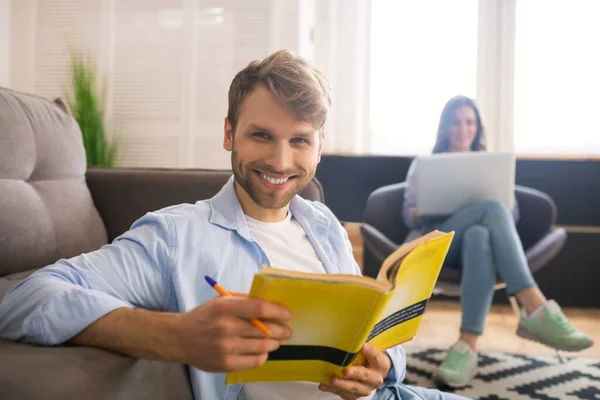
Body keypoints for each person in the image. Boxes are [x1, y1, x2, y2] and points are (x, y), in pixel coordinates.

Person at [0, 50, 469, 400]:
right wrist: (175, 336)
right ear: (229, 133)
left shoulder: (323, 223)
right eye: (261, 135)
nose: (281, 161)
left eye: (299, 141)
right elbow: (26, 299)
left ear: (320, 146)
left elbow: (380, 340)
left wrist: (383, 364)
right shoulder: (175, 236)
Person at [403, 95, 594, 388]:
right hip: (439, 243)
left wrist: (478, 210)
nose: (462, 128)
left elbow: (511, 213)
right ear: (444, 127)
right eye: (456, 122)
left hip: (471, 245)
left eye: (469, 122)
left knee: (481, 234)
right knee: (491, 209)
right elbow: (409, 216)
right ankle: (535, 306)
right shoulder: (425, 165)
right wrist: (441, 205)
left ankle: (467, 345)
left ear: (477, 127)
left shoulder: (490, 165)